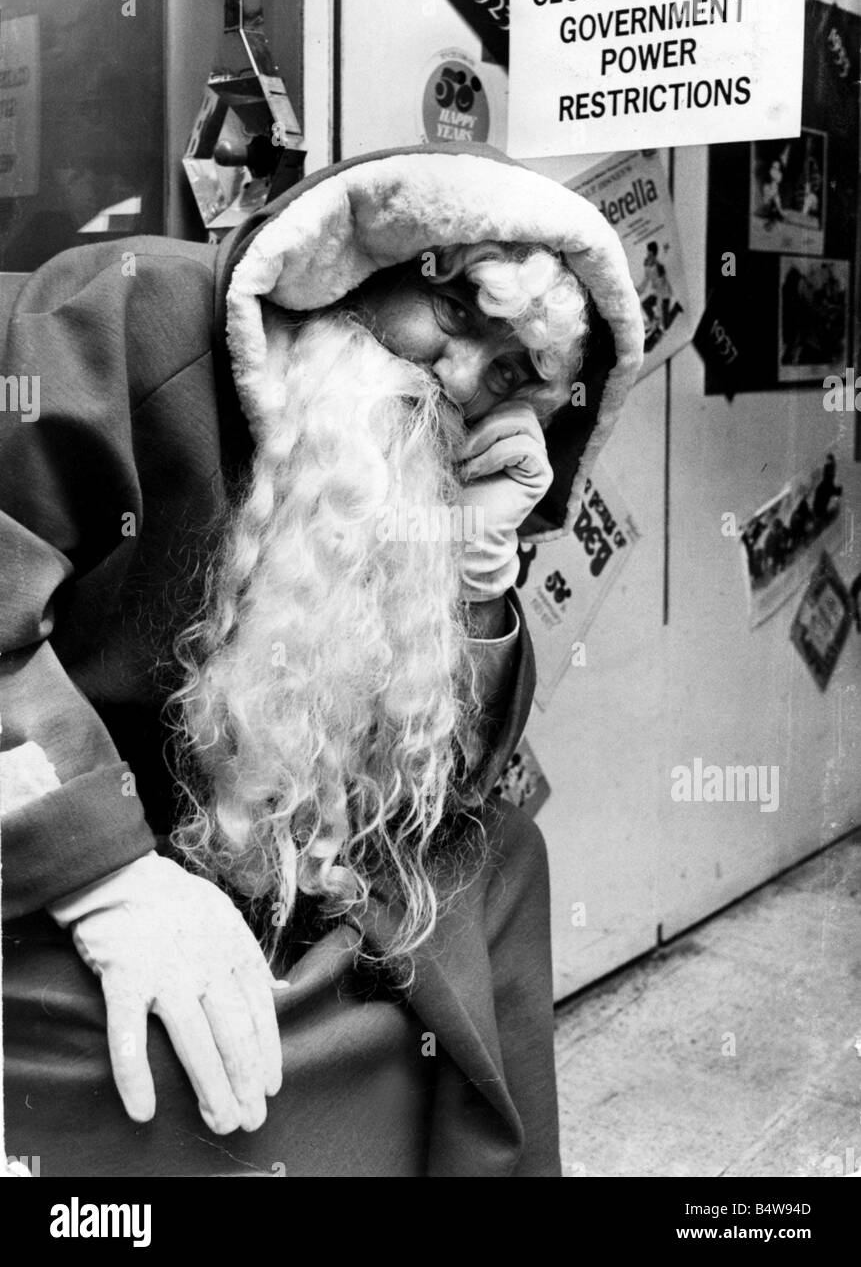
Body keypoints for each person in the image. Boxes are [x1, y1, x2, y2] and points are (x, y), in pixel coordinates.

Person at [0, 141, 644, 1177]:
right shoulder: (129, 314)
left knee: (502, 855)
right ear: (352, 272)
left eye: (516, 373)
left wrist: (473, 573)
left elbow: (445, 776)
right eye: (461, 308)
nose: (464, 376)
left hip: (217, 848)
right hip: (49, 835)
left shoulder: (425, 470)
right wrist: (107, 877)